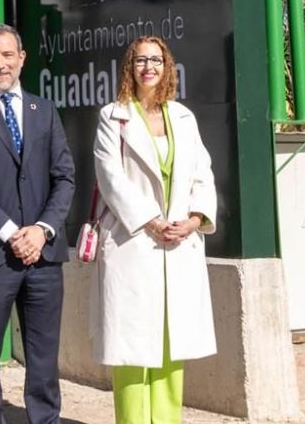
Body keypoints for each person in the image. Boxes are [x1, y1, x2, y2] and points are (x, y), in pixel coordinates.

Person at [0, 22, 76, 424]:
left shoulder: (45, 110)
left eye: (7, 55)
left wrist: (42, 230)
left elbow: (65, 176)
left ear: (22, 58)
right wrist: (10, 232)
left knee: (43, 358)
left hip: (44, 253)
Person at [92, 37, 217, 424]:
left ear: (167, 67)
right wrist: (151, 220)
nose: (149, 66)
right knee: (131, 352)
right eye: (141, 59)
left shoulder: (183, 117)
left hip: (178, 245)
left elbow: (202, 173)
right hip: (135, 241)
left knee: (170, 347)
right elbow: (110, 177)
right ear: (129, 66)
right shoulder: (112, 115)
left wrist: (195, 220)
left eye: (156, 60)